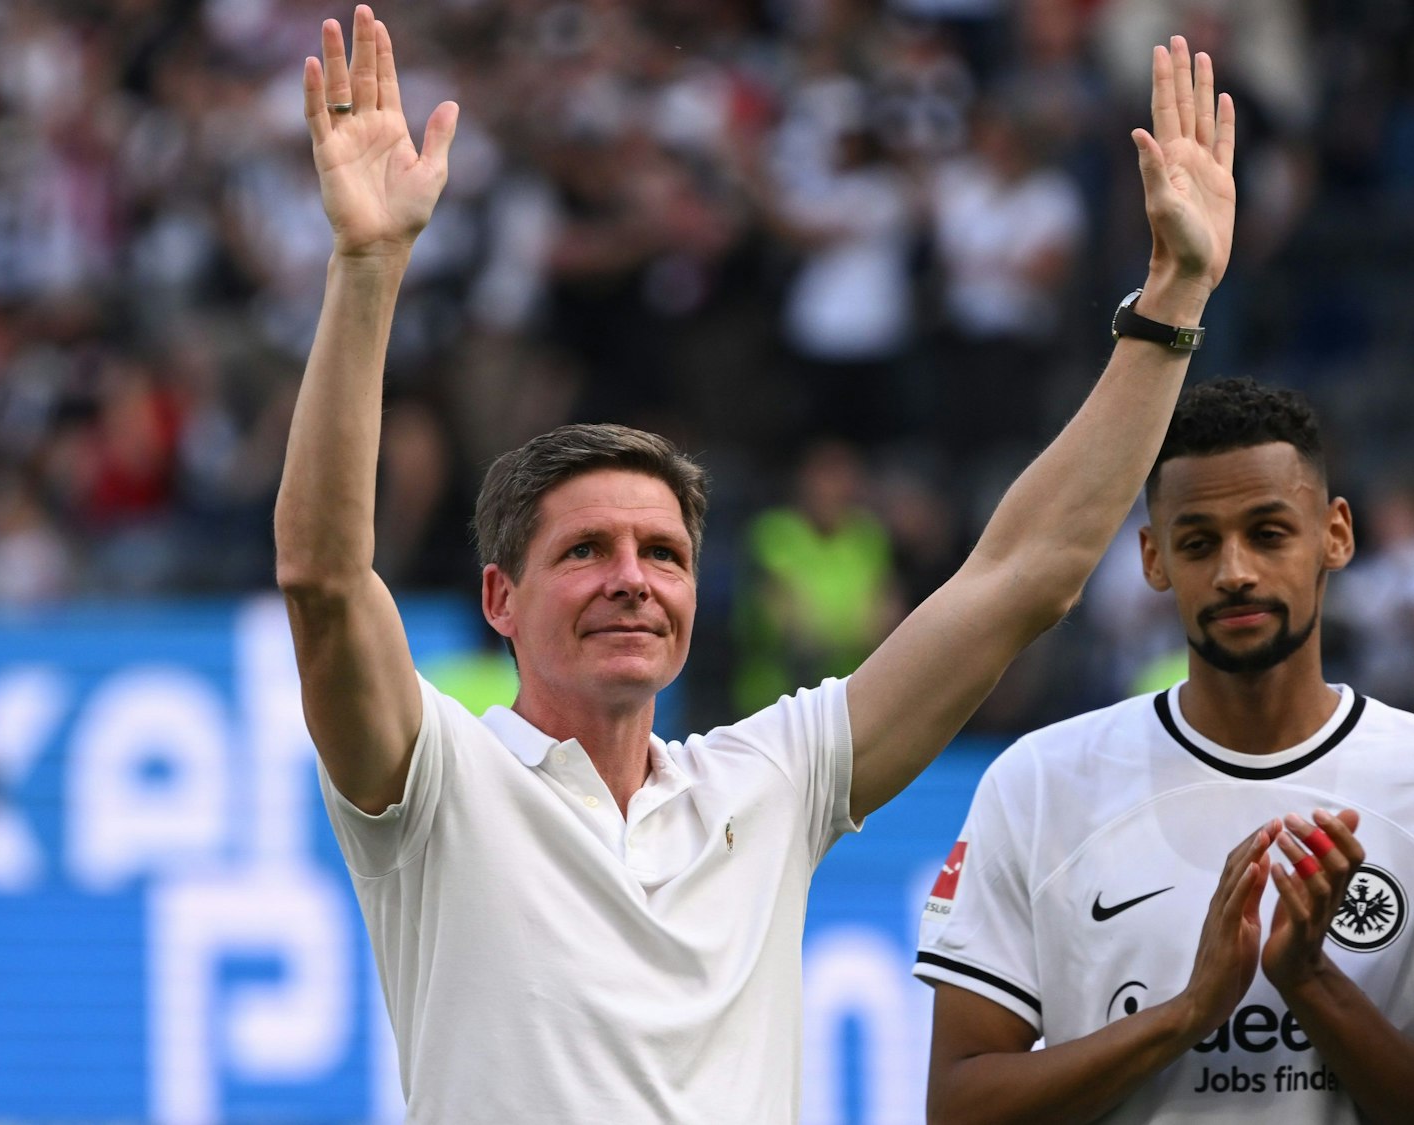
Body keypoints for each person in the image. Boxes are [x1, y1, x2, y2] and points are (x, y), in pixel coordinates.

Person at [276, 8, 1239, 1121]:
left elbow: (1024, 576)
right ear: (501, 597)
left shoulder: (766, 783)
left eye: (663, 553)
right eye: (584, 550)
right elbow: (325, 581)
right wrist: (367, 264)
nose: (632, 578)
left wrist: (1172, 299)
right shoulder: (437, 780)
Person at [917, 378, 1414, 1124]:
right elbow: (958, 1107)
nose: (1235, 572)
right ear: (1154, 557)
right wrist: (1189, 1012)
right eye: (1199, 543)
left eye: (1269, 533)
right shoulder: (1037, 782)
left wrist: (1308, 981)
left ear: (1336, 534)